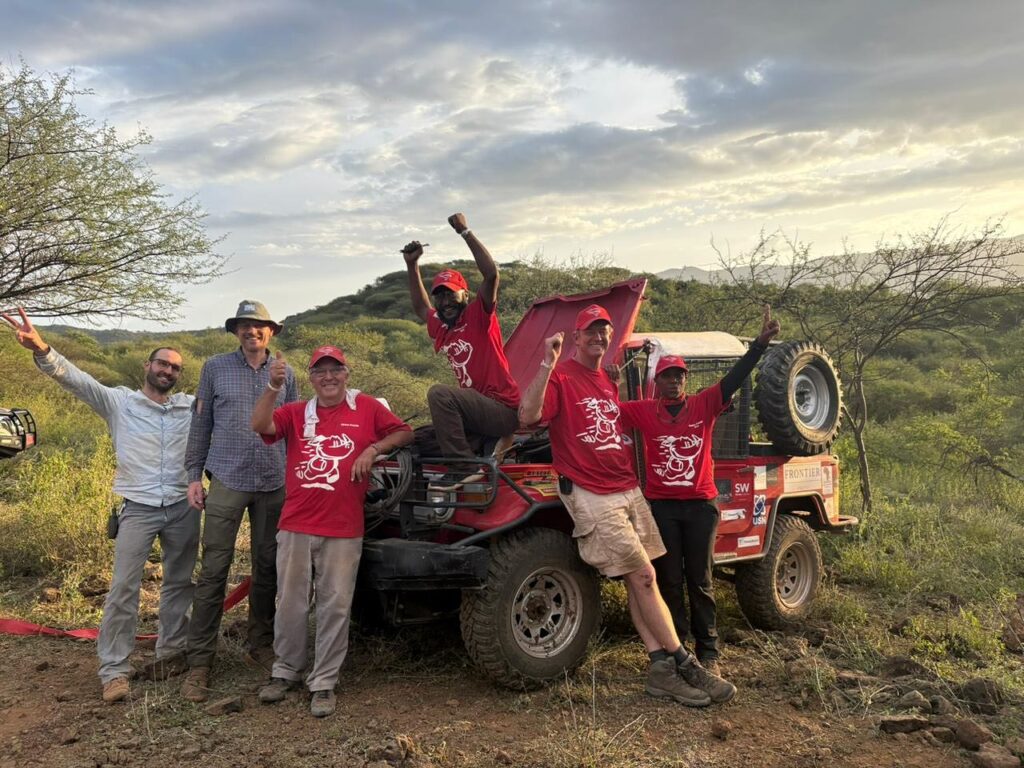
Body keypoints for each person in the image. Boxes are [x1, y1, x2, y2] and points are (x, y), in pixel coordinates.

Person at [518, 304, 736, 707]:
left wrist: (615, 387)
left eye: (605, 331)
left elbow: (605, 424)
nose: (599, 337)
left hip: (627, 488)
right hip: (592, 491)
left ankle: (659, 670)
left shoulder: (604, 377)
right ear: (576, 338)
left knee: (644, 578)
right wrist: (546, 363)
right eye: (591, 332)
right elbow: (528, 414)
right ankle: (685, 663)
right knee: (646, 578)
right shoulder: (561, 376)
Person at [2, 307, 198, 703]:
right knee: (123, 589)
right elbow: (77, 380)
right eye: (162, 363)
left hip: (182, 506)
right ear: (148, 365)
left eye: (175, 368)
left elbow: (229, 413)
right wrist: (42, 348)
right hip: (138, 508)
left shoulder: (189, 408)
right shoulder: (118, 403)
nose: (168, 371)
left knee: (179, 584)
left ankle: (171, 653)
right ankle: (114, 670)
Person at [618, 305, 781, 675]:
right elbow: (604, 409)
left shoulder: (704, 405)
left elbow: (736, 378)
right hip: (663, 508)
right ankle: (678, 647)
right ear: (657, 383)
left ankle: (709, 650)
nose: (673, 382)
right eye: (666, 377)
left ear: (685, 381)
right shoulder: (643, 411)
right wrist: (604, 375)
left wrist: (758, 346)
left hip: (700, 507)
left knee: (701, 579)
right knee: (669, 580)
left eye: (678, 376)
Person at [251, 345, 412, 717]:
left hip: (343, 527)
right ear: (310, 378)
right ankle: (285, 671)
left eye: (335, 370)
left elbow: (404, 433)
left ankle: (323, 682)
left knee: (335, 605)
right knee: (290, 601)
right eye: (320, 371)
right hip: (295, 524)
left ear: (346, 373)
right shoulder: (295, 412)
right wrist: (272, 387)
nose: (328, 377)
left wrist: (373, 449)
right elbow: (260, 425)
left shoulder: (367, 407)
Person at [180, 300, 298, 703]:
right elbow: (201, 424)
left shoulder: (287, 374)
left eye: (259, 326)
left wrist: (297, 480)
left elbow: (295, 430)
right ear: (236, 332)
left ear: (271, 332)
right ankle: (200, 660)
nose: (252, 332)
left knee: (269, 567)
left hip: (273, 481)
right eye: (245, 326)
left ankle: (260, 645)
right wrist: (193, 476)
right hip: (227, 477)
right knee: (214, 567)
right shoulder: (215, 368)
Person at [401, 213, 520, 487]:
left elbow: (491, 274)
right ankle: (481, 450)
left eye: (451, 293)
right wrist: (412, 265)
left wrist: (465, 232)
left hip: (502, 410)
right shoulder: (443, 326)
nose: (445, 301)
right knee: (417, 438)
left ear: (465, 295)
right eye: (440, 295)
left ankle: (462, 467)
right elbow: (421, 308)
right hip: (475, 413)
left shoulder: (479, 317)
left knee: (440, 394)